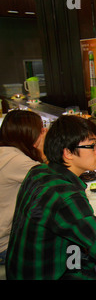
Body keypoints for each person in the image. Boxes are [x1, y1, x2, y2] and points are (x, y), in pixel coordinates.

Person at [6, 115, 96, 280]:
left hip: (20, 271)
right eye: (92, 145)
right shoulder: (65, 196)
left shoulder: (38, 172)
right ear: (68, 153)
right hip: (51, 274)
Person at [0, 110, 47, 265]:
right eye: (41, 129)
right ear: (29, 134)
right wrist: (43, 151)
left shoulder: (5, 152)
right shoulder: (17, 161)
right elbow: (53, 182)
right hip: (8, 246)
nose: (45, 132)